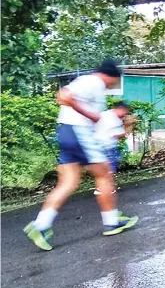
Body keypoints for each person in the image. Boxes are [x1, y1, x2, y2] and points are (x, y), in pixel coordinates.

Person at [23, 60, 138, 251]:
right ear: (109, 75)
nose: (112, 85)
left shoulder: (88, 82)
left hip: (66, 131)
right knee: (104, 174)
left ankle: (40, 226)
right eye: (114, 81)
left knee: (68, 183)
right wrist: (91, 115)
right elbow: (63, 96)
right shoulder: (93, 82)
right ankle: (111, 221)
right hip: (79, 132)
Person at [94, 101, 132, 195]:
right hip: (107, 145)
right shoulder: (114, 119)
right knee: (110, 168)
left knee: (102, 168)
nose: (125, 115)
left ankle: (100, 188)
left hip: (97, 144)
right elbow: (119, 135)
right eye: (125, 112)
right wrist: (129, 126)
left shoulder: (104, 114)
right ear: (120, 109)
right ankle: (107, 188)